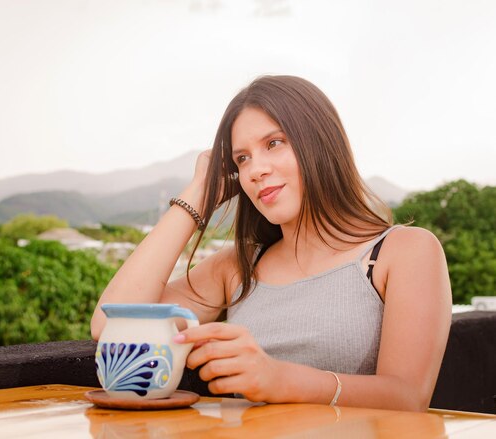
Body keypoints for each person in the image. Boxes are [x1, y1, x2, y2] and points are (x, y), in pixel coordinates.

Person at [90, 75, 452, 412]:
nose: (254, 170)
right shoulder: (236, 267)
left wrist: (281, 379)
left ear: (321, 143)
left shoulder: (404, 251)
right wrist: (199, 195)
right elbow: (109, 325)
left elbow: (408, 397)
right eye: (241, 158)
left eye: (274, 143)